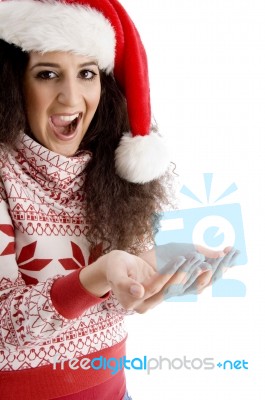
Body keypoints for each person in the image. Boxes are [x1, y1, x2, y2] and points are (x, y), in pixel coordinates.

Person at [0, 1, 239, 399]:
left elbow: (115, 299)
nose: (70, 96)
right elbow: (5, 327)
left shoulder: (110, 172)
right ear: (13, 82)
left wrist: (155, 277)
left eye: (87, 73)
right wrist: (99, 273)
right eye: (47, 74)